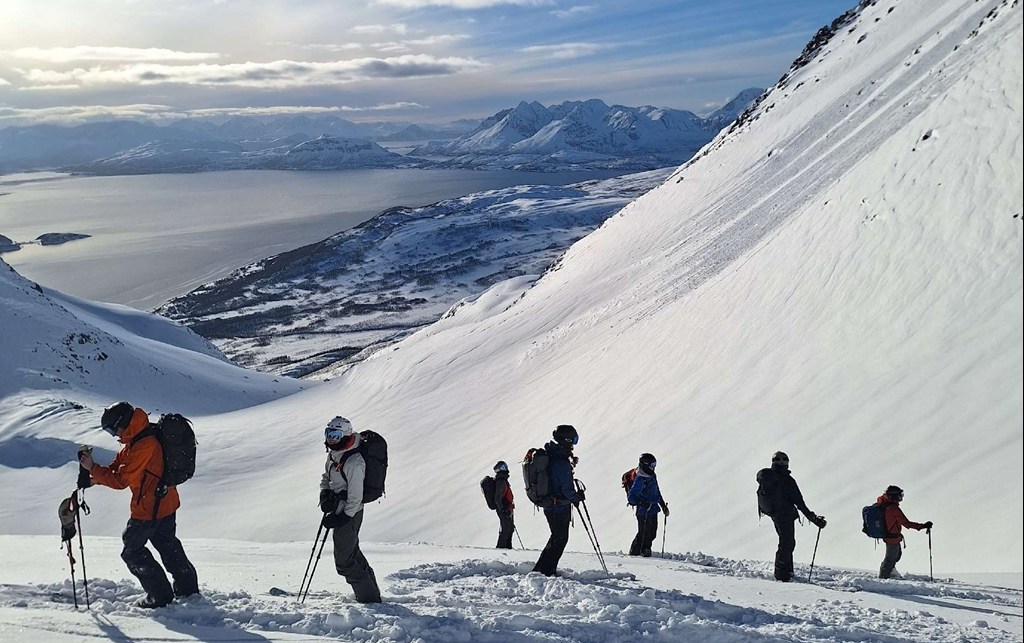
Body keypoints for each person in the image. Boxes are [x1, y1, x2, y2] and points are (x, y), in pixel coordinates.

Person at [78, 402, 199, 608]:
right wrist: (92, 477)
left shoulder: (144, 444)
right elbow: (118, 468)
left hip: (149, 507)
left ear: (122, 423)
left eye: (112, 429)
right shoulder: (139, 436)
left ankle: (159, 596)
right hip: (165, 502)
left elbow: (120, 480)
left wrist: (93, 468)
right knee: (167, 544)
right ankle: (188, 590)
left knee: (132, 550)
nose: (113, 434)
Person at [319, 416, 382, 603]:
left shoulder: (354, 461)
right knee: (351, 553)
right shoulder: (334, 454)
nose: (331, 438)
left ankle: (369, 599)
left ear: (345, 434)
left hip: (350, 514)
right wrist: (324, 495)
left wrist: (342, 518)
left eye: (335, 434)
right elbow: (326, 476)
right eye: (328, 433)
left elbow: (355, 498)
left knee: (344, 563)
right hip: (339, 509)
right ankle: (371, 592)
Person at [761, 451, 826, 582]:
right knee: (787, 543)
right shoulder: (787, 480)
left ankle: (786, 571)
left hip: (775, 514)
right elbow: (799, 502)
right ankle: (782, 574)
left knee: (786, 541)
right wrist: (813, 519)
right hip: (785, 515)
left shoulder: (769, 478)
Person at [532, 424, 583, 577]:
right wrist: (577, 497)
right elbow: (566, 488)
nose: (574, 444)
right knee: (559, 539)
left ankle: (544, 569)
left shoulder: (553, 454)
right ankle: (544, 571)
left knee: (557, 537)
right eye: (573, 440)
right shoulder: (560, 461)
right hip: (558, 506)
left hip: (551, 504)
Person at [877, 485, 933, 579]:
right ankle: (883, 578)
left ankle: (888, 573)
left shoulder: (884, 505)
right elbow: (906, 523)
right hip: (892, 537)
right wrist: (922, 526)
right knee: (890, 559)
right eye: (899, 495)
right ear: (893, 496)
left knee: (895, 555)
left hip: (889, 536)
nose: (901, 497)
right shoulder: (893, 508)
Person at [627, 453, 669, 557]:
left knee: (652, 533)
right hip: (643, 511)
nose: (654, 467)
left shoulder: (651, 476)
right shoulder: (640, 479)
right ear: (645, 464)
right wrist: (642, 503)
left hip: (653, 509)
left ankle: (645, 550)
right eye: (652, 465)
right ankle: (635, 554)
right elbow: (631, 497)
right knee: (643, 533)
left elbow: (656, 492)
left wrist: (663, 505)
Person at [492, 461, 516, 549]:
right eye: (503, 467)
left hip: (507, 508)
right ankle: (501, 548)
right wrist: (503, 509)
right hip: (504, 508)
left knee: (509, 528)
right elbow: (497, 498)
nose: (506, 468)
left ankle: (507, 547)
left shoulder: (503, 480)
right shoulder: (501, 481)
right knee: (506, 529)